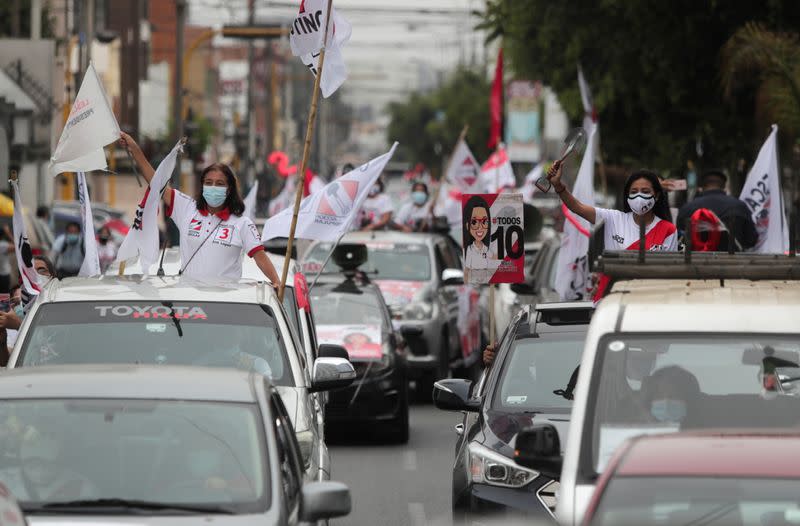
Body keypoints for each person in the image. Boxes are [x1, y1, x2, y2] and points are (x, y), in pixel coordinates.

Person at [119, 132, 280, 284]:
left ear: (229, 189)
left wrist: (277, 282)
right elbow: (157, 183)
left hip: (226, 303)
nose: (213, 187)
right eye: (208, 183)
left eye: (220, 184)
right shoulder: (187, 208)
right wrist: (135, 149)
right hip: (191, 302)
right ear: (202, 186)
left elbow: (261, 258)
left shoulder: (242, 223)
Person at [0, 428, 97, 501]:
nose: (40, 472)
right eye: (33, 465)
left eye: (48, 465)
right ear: (22, 463)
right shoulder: (3, 481)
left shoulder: (80, 487)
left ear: (60, 463)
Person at [676, 170, 758, 250]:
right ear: (723, 186)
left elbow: (679, 240)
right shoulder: (740, 206)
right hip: (734, 261)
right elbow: (751, 240)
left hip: (695, 261)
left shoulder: (687, 208)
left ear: (702, 187)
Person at [463, 195, 499, 284]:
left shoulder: (486, 249)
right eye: (474, 222)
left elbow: (494, 257)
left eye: (484, 222)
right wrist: (466, 281)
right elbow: (467, 267)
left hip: (485, 279)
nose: (480, 227)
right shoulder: (470, 249)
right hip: (474, 281)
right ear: (467, 225)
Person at [0, 226, 15, 293]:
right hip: (3, 275)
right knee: (4, 297)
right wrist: (8, 233)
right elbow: (17, 246)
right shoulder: (2, 245)